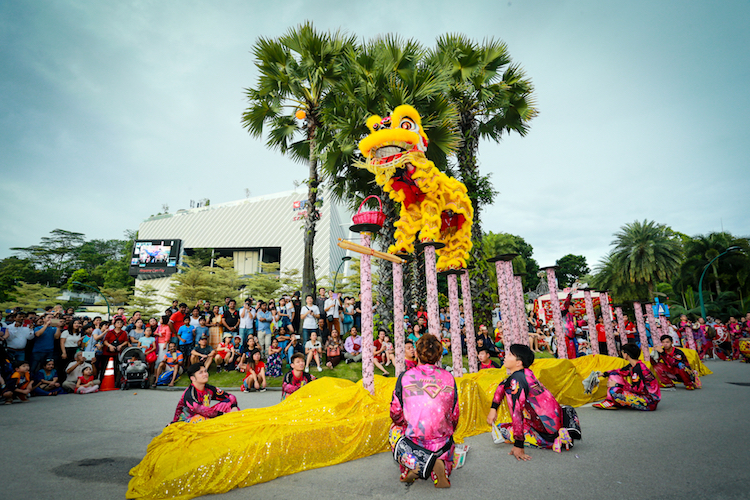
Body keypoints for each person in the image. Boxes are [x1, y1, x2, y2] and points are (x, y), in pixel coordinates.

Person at [389, 334, 458, 488]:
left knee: (394, 429)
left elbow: (395, 411)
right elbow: (455, 414)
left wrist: (403, 424)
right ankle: (440, 464)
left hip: (415, 440)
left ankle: (412, 464)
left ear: (418, 353)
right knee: (445, 437)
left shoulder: (405, 377)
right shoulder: (449, 378)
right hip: (441, 441)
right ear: (438, 354)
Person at [486, 344, 573, 459]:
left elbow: (516, 412)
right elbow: (501, 387)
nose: (505, 357)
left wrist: (518, 445)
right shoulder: (526, 373)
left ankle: (547, 442)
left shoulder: (516, 381)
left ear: (518, 363)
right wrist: (493, 409)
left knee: (502, 429)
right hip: (554, 423)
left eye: (510, 355)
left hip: (546, 431)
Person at [593, 343, 661, 411]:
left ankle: (612, 402)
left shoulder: (638, 369)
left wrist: (616, 385)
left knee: (614, 390)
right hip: (643, 395)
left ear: (626, 354)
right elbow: (621, 371)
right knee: (614, 374)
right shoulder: (633, 365)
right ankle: (610, 401)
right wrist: (604, 374)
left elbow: (637, 389)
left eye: (622, 352)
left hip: (649, 402)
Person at [171, 363, 239, 424]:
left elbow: (230, 396)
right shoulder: (190, 393)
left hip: (205, 415)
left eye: (205, 371)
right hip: (186, 421)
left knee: (228, 404)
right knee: (201, 418)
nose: (205, 374)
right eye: (201, 373)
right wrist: (222, 414)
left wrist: (234, 406)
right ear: (193, 378)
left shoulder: (209, 389)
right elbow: (200, 410)